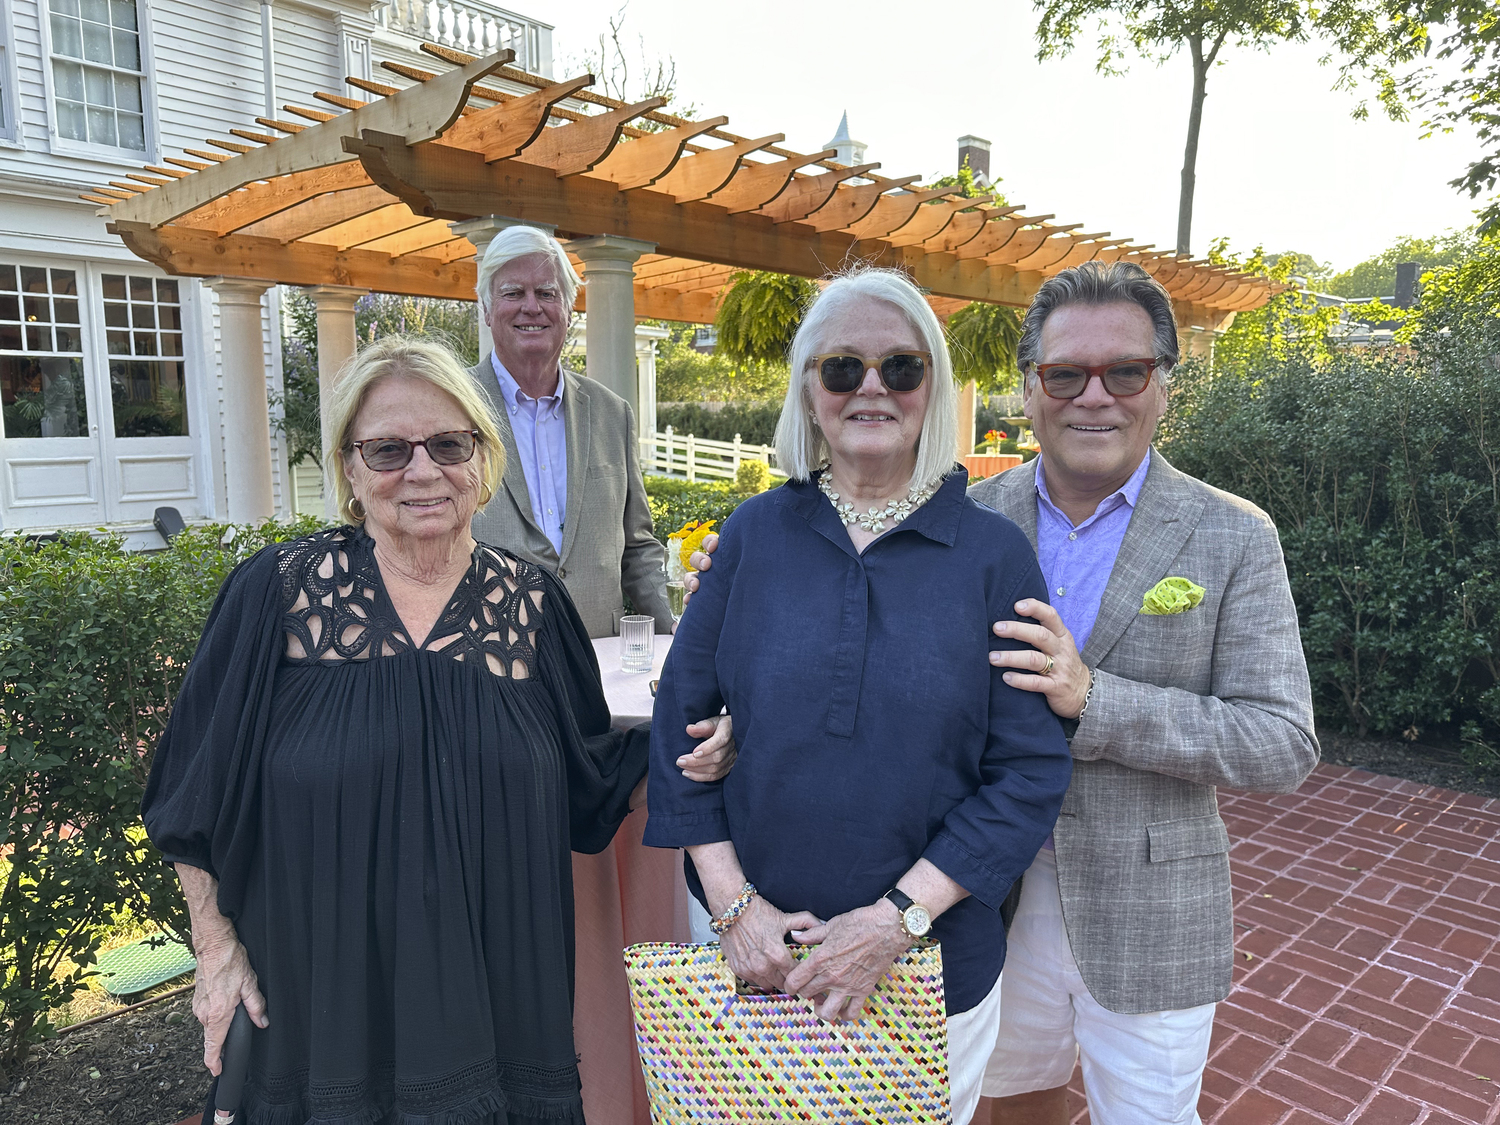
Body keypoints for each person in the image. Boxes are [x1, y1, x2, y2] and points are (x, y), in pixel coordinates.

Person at [686, 262, 1320, 1125]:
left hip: (1140, 905)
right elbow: (852, 665)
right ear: (1028, 389)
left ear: (1163, 384)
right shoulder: (966, 518)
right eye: (1065, 374)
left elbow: (1281, 740)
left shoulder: (1232, 534)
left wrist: (1094, 698)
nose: (1093, 396)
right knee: (1009, 1108)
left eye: (1124, 371)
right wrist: (747, 693)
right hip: (987, 902)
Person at [141, 336, 729, 1125]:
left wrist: (707, 732)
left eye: (449, 444)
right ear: (350, 468)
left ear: (481, 459)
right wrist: (215, 953)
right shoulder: (275, 596)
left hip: (494, 1007)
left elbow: (589, 783)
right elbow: (189, 792)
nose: (422, 470)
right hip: (317, 1005)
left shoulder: (533, 607)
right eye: (388, 449)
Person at [646, 267, 1074, 1124]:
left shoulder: (993, 558)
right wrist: (736, 909)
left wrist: (892, 922)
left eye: (900, 368)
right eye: (843, 368)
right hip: (752, 952)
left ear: (933, 387)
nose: (870, 387)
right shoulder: (754, 536)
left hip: (928, 967)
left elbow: (1027, 771)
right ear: (810, 391)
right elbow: (679, 727)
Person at [469, 224, 672, 639]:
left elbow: (637, 548)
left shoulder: (613, 413)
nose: (532, 307)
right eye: (512, 294)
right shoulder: (450, 411)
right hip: (489, 661)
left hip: (598, 660)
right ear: (487, 309)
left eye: (546, 293)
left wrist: (681, 630)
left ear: (568, 309)